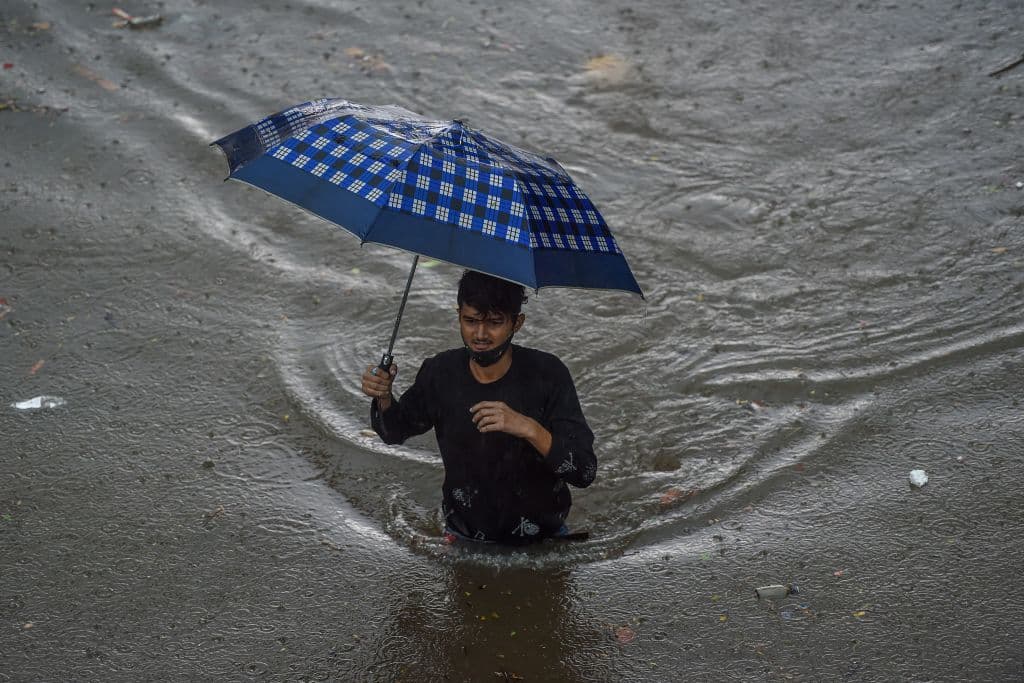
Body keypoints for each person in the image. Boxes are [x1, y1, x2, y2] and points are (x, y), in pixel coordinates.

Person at [360, 270, 597, 545]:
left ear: (517, 323)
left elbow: (584, 471)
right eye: (470, 321)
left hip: (544, 538)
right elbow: (393, 433)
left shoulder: (549, 375)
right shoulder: (440, 373)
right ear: (458, 314)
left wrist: (529, 428)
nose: (480, 334)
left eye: (495, 322)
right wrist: (384, 396)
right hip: (463, 535)